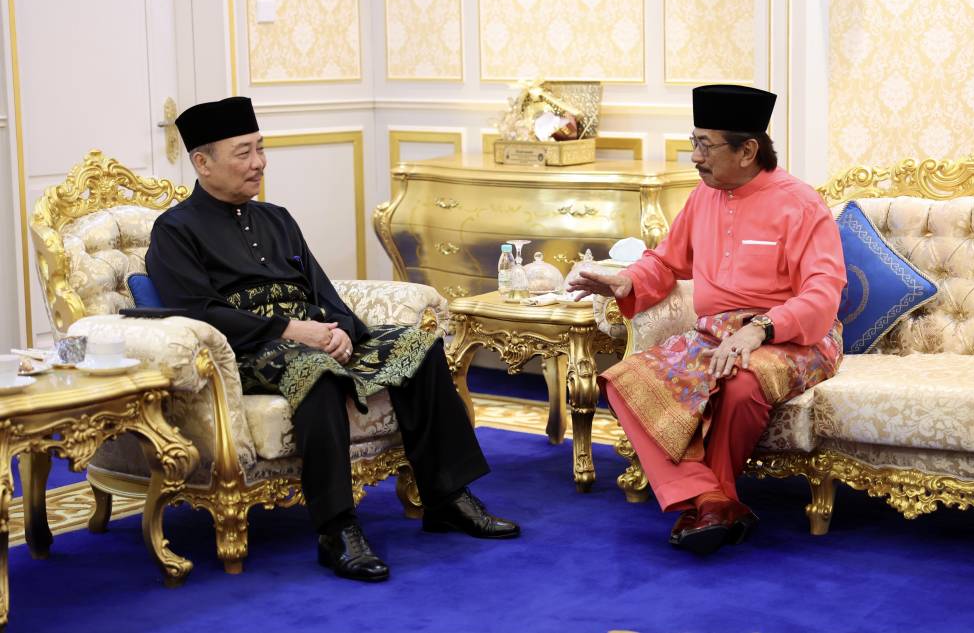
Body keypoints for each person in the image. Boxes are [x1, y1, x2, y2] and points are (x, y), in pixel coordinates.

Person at [146, 96, 519, 583]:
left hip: (312, 336)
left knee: (418, 347)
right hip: (249, 351)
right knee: (315, 371)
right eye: (243, 153)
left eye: (260, 149)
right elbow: (197, 310)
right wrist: (290, 330)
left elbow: (321, 289)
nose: (258, 163)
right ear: (202, 162)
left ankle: (446, 497)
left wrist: (342, 330)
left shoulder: (276, 218)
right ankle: (337, 529)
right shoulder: (175, 230)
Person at [567, 85, 846, 555]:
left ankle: (708, 507)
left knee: (737, 385)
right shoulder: (703, 196)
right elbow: (667, 261)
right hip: (716, 333)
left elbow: (823, 293)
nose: (694, 156)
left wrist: (761, 329)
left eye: (705, 144)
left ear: (748, 150)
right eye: (692, 142)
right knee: (620, 381)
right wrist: (627, 282)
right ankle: (711, 499)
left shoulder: (801, 204)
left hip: (792, 336)